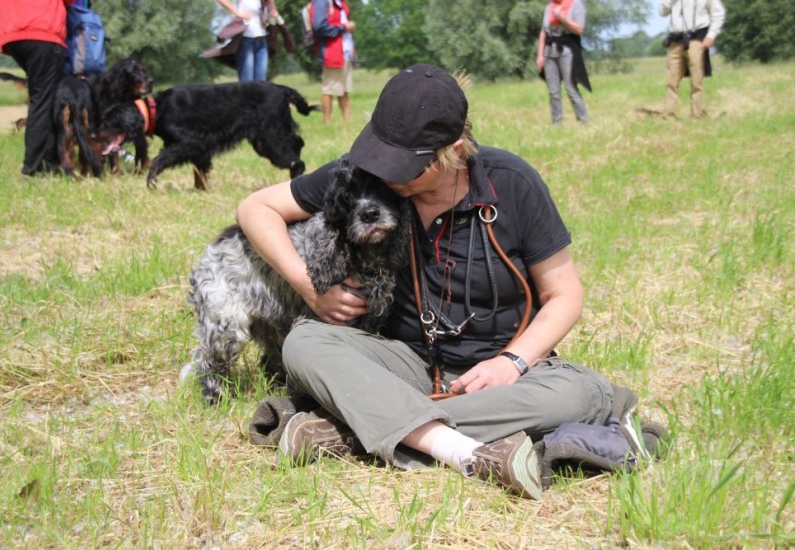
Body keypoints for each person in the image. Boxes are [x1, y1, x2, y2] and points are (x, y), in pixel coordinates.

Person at [236, 64, 618, 499]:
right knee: (304, 343)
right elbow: (256, 209)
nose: (387, 173)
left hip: (503, 377)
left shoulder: (512, 183)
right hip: (402, 366)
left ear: (453, 150)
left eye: (405, 165)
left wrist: (511, 362)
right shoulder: (364, 175)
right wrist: (309, 286)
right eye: (382, 155)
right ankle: (461, 450)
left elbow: (564, 294)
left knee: (583, 394)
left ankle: (352, 427)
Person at [0, 0, 75, 176]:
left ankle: (49, 163)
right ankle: (33, 168)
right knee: (43, 100)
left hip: (13, 31)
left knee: (44, 97)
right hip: (42, 29)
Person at [660, 0, 726, 118]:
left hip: (696, 39)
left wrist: (711, 35)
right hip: (675, 40)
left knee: (696, 80)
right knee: (671, 80)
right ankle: (668, 114)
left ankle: (696, 114)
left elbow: (718, 13)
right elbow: (662, 12)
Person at [536, 0, 591, 125]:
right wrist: (540, 55)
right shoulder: (550, 6)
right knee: (553, 91)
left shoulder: (576, 4)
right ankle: (557, 122)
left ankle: (584, 121)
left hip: (567, 49)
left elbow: (579, 29)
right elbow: (544, 31)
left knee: (571, 88)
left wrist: (562, 18)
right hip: (549, 49)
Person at [311, 0, 355, 123]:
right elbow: (319, 26)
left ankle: (348, 120)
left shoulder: (339, 2)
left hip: (344, 51)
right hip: (332, 50)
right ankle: (327, 122)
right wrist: (344, 27)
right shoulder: (322, 1)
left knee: (344, 89)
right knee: (329, 88)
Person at [215, 0, 279, 82]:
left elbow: (270, 6)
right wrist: (238, 13)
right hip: (246, 39)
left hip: (262, 40)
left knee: (261, 83)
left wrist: (273, 9)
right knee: (247, 83)